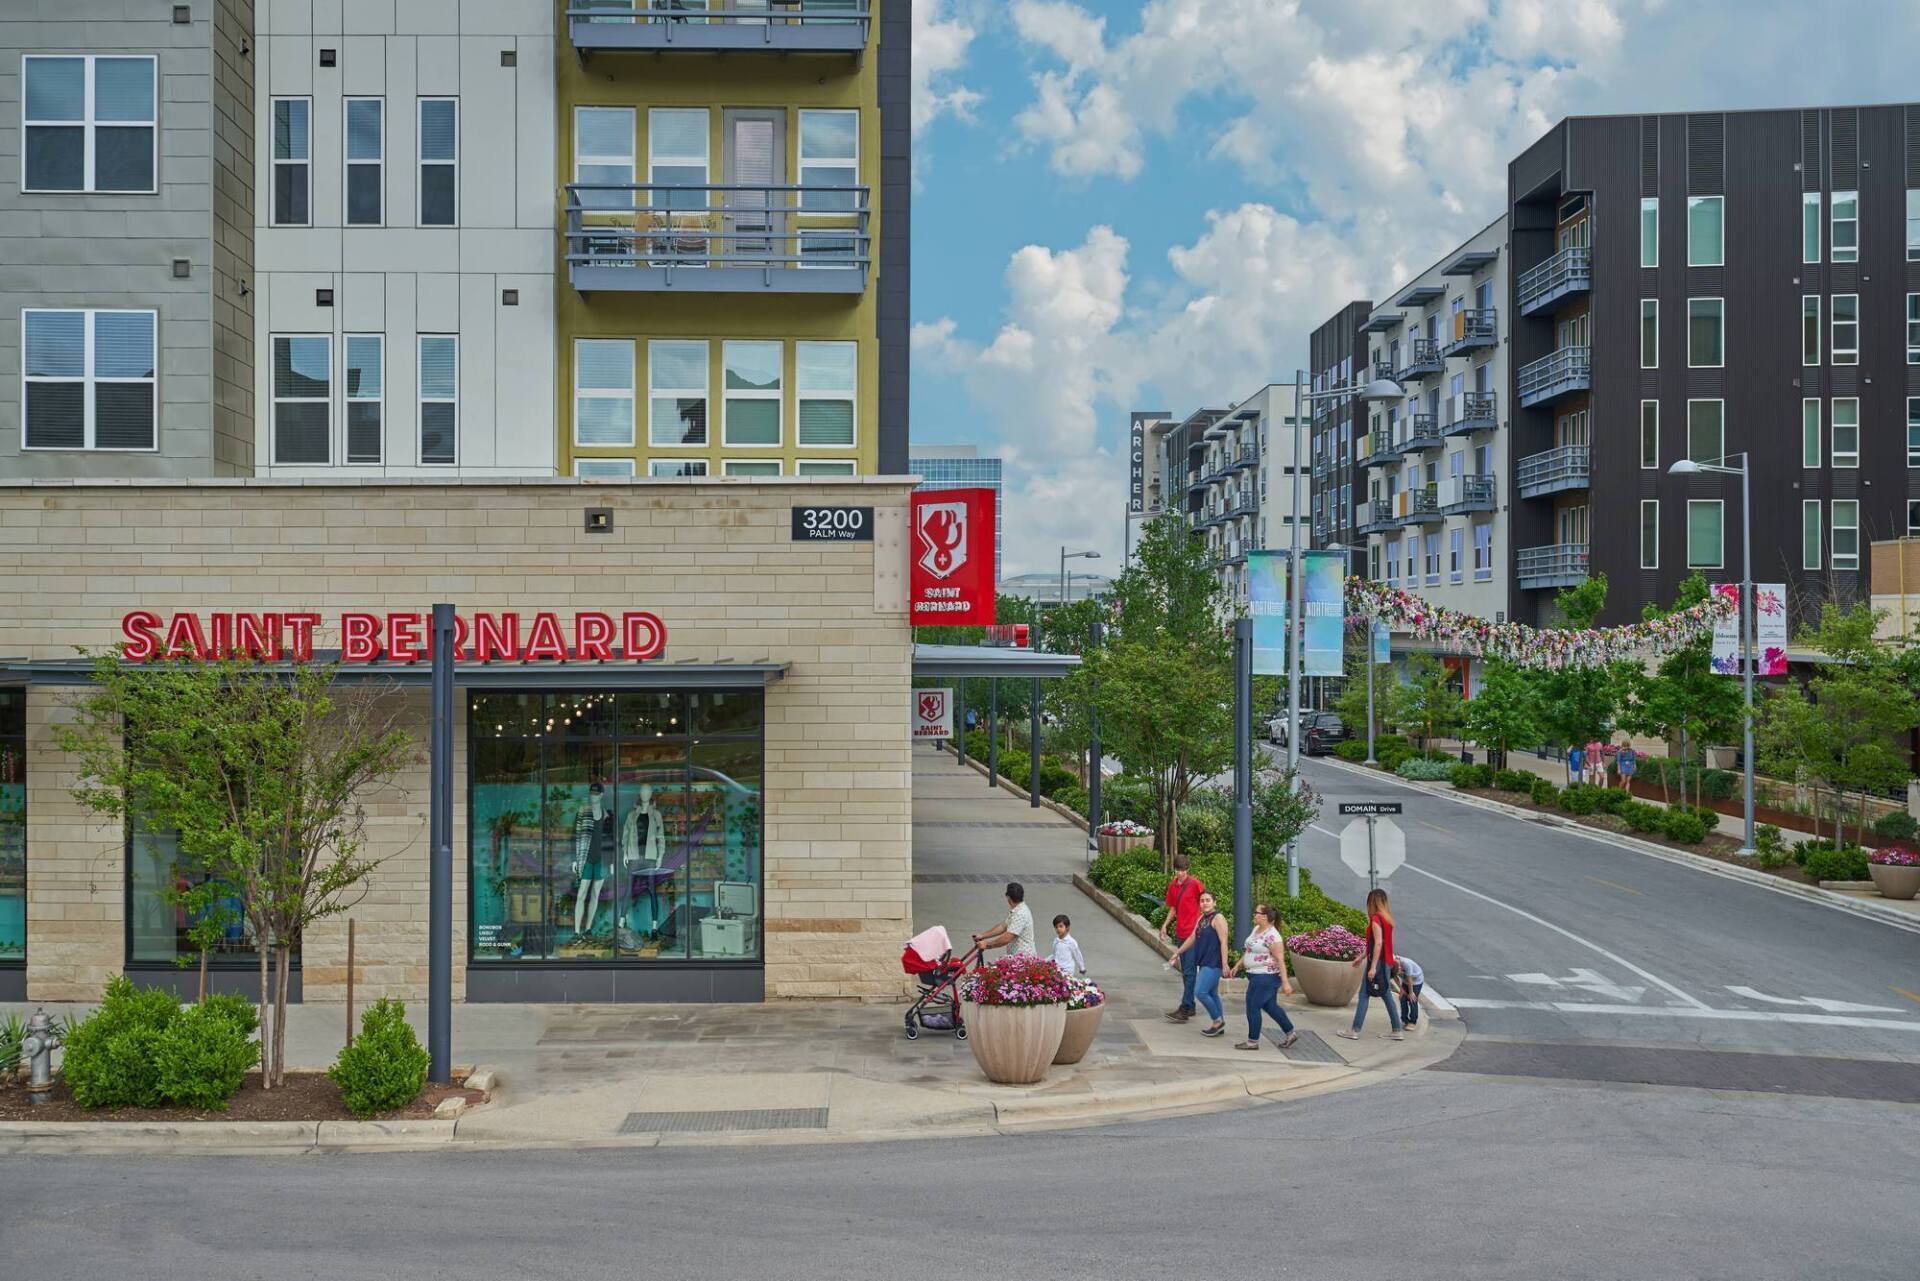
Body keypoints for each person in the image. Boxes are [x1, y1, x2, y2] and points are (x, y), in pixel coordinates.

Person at [1226, 902, 1298, 1051]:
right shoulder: (1257, 929)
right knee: (1270, 1006)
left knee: (1252, 1006)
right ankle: (1291, 1033)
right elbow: (1249, 950)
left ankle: (1252, 1042)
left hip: (1265, 977)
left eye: (1256, 913)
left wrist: (1285, 983)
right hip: (1255, 976)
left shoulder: (1273, 936)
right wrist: (1238, 965)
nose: (1254, 915)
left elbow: (1280, 960)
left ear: (1264, 917)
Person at [1338, 887, 1404, 1041]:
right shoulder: (1387, 919)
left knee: (1364, 994)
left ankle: (1355, 1030)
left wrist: (1372, 967)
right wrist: (1361, 957)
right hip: (1386, 962)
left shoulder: (1376, 919)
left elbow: (1378, 943)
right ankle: (1397, 1030)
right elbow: (1376, 943)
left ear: (1372, 902)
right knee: (1386, 994)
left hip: (1378, 962)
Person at [1166, 891, 1230, 1037]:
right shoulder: (1202, 918)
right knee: (1212, 993)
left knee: (1200, 991)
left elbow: (1224, 942)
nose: (1205, 903)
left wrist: (1225, 963)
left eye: (1208, 900)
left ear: (1214, 902)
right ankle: (1219, 1025)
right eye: (1202, 901)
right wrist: (1178, 952)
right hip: (1204, 960)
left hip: (1213, 962)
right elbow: (1192, 937)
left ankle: (1217, 1020)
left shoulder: (1218, 918)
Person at [1156, 855, 1207, 1022]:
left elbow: (1206, 904)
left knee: (1190, 972)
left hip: (1193, 935)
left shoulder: (1195, 884)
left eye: (1183, 870)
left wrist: (1203, 923)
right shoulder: (1173, 886)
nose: (1180, 873)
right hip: (1180, 933)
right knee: (1186, 972)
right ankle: (1190, 1006)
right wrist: (1165, 925)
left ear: (1187, 869)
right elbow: (1173, 908)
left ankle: (1184, 1008)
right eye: (1178, 870)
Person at [972, 882, 1037, 958]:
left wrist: (987, 944)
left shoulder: (1020, 913)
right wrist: (983, 935)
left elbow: (1007, 938)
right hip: (1015, 956)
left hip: (1024, 958)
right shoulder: (1017, 910)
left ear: (1008, 897)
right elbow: (1003, 926)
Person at [1050, 914, 1087, 978]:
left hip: (1068, 970)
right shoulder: (1056, 941)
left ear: (1067, 927)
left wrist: (1082, 967)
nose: (1058, 929)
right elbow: (1054, 955)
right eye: (1056, 927)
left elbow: (1077, 955)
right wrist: (1044, 961)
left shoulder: (1071, 942)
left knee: (1065, 983)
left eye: (1061, 926)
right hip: (1057, 969)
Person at [1394, 955, 1424, 1028]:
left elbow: (1410, 980)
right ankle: (1404, 1020)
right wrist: (1401, 989)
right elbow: (1394, 976)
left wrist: (1411, 993)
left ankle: (1412, 1022)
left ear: (1400, 967)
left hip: (1416, 981)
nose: (1399, 972)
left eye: (1399, 970)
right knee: (1402, 998)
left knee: (1412, 999)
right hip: (1405, 981)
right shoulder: (1390, 963)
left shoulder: (1407, 964)